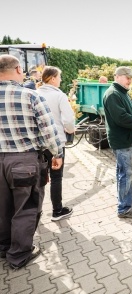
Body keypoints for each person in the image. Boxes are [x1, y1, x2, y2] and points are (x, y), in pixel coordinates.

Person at [0, 55, 63, 269]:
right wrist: (57, 154)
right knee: (26, 208)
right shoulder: (30, 96)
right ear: (18, 68)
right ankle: (18, 255)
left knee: (2, 207)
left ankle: (3, 247)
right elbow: (49, 132)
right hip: (24, 162)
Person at [103, 66, 132, 219]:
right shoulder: (113, 94)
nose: (130, 80)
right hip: (121, 141)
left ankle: (127, 197)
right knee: (126, 173)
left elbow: (127, 113)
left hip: (125, 140)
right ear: (117, 76)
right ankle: (124, 208)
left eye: (131, 78)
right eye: (127, 77)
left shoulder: (121, 92)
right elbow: (122, 118)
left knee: (123, 172)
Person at [37, 66, 75, 221]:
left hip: (39, 143)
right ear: (52, 78)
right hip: (56, 141)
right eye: (59, 77)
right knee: (56, 177)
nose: (60, 79)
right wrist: (70, 130)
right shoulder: (59, 96)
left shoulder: (35, 93)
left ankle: (35, 212)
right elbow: (68, 120)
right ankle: (57, 210)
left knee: (39, 179)